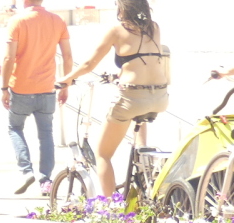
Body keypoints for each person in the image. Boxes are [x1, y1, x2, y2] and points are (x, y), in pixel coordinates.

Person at [55, 0, 166, 198]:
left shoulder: (117, 30)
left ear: (122, 7)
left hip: (132, 98)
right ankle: (142, 162)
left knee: (103, 154)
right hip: (159, 97)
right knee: (138, 118)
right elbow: (144, 59)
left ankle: (109, 205)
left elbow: (90, 63)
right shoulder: (154, 28)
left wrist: (66, 79)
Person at [0, 0, 72, 195]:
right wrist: (65, 85)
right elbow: (67, 56)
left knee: (15, 128)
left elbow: (8, 58)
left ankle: (26, 171)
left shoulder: (17, 21)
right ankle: (45, 180)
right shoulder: (57, 21)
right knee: (46, 134)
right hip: (47, 87)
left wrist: (4, 88)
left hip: (21, 88)